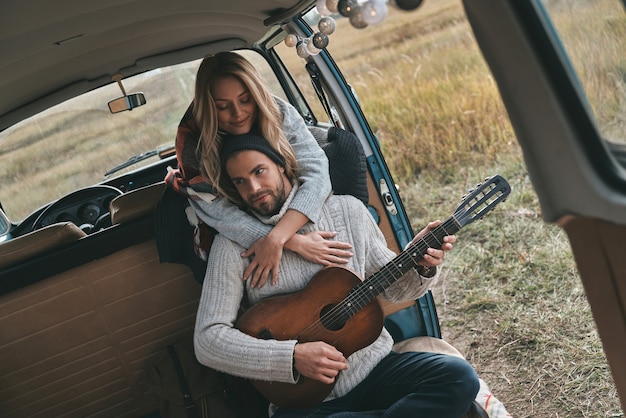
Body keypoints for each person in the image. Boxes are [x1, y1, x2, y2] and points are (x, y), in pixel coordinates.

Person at [194, 133, 481, 417]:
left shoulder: (347, 211)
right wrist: (291, 357)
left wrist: (420, 264)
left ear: (281, 164)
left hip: (375, 372)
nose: (253, 188)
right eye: (240, 181)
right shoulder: (232, 246)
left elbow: (394, 290)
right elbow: (208, 341)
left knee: (459, 377)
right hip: (302, 403)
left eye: (259, 171)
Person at [165, 51, 351, 287]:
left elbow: (317, 175)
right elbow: (219, 214)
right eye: (223, 107)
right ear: (209, 108)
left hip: (286, 209)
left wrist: (278, 237)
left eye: (245, 100)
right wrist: (292, 242)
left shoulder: (278, 112)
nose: (238, 113)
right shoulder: (192, 141)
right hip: (241, 225)